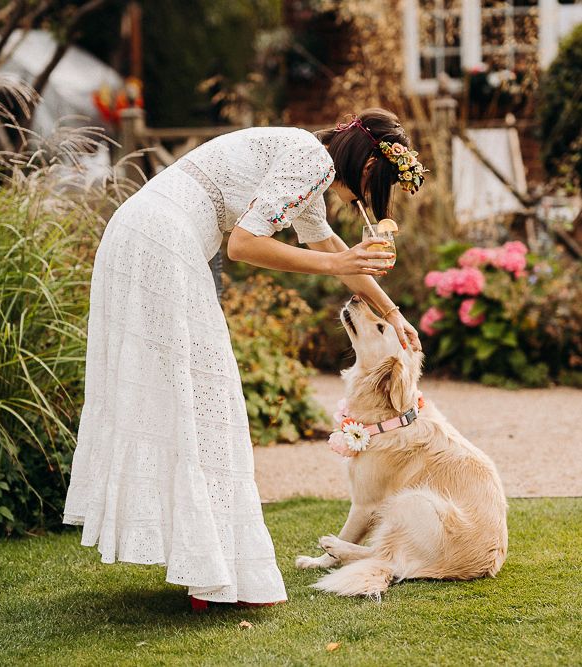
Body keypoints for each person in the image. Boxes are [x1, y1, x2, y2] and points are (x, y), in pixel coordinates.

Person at [62, 107, 424, 611]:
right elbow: (244, 244)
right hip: (162, 240)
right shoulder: (311, 160)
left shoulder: (304, 160)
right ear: (366, 167)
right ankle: (212, 573)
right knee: (211, 401)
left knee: (190, 401)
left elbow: (322, 242)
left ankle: (205, 570)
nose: (362, 202)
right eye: (373, 187)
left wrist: (391, 310)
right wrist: (338, 262)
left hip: (141, 233)